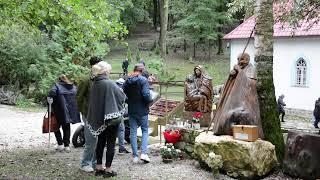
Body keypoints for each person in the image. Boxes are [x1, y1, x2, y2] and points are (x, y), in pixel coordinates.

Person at [87, 61, 126, 177]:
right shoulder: (109, 83)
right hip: (111, 118)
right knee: (111, 144)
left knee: (100, 142)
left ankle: (99, 167)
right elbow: (121, 96)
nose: (109, 72)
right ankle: (108, 170)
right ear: (105, 71)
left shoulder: (95, 83)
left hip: (99, 118)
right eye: (108, 70)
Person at [212, 53, 264, 139]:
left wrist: (239, 71)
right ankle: (224, 130)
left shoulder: (251, 69)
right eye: (238, 59)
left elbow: (249, 84)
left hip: (246, 104)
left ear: (247, 60)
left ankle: (236, 132)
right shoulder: (240, 69)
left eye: (241, 59)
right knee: (225, 115)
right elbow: (229, 86)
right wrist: (231, 76)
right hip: (235, 102)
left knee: (234, 115)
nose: (239, 62)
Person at [123, 63, 152, 163]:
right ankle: (143, 153)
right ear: (141, 71)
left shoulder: (127, 81)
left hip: (131, 110)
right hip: (143, 110)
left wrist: (129, 101)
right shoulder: (143, 80)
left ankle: (135, 156)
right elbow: (146, 95)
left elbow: (122, 94)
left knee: (133, 132)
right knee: (144, 130)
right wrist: (149, 100)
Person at [78, 56, 101, 172]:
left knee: (98, 140)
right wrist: (84, 112)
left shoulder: (101, 79)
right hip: (88, 114)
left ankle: (95, 162)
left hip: (99, 114)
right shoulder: (86, 80)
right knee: (91, 140)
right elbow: (79, 97)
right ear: (93, 66)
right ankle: (85, 163)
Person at [48, 74, 81, 152]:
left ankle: (60, 144)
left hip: (58, 110)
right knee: (66, 127)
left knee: (56, 127)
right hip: (69, 111)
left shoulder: (57, 86)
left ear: (59, 80)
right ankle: (67, 145)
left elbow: (51, 94)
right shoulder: (73, 87)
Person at [115, 78, 131, 154]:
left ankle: (110, 147)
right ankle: (121, 148)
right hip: (118, 113)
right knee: (121, 129)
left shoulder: (112, 89)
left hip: (108, 113)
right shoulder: (121, 91)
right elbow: (126, 99)